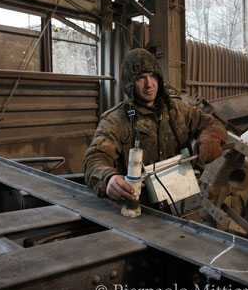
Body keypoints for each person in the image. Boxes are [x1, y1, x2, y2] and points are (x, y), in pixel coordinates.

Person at [83, 48, 227, 202]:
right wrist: (108, 178)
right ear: (130, 83)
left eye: (153, 76)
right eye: (140, 78)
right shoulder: (116, 120)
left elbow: (212, 123)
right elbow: (94, 158)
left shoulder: (178, 109)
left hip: (184, 200)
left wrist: (211, 136)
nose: (149, 84)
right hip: (142, 208)